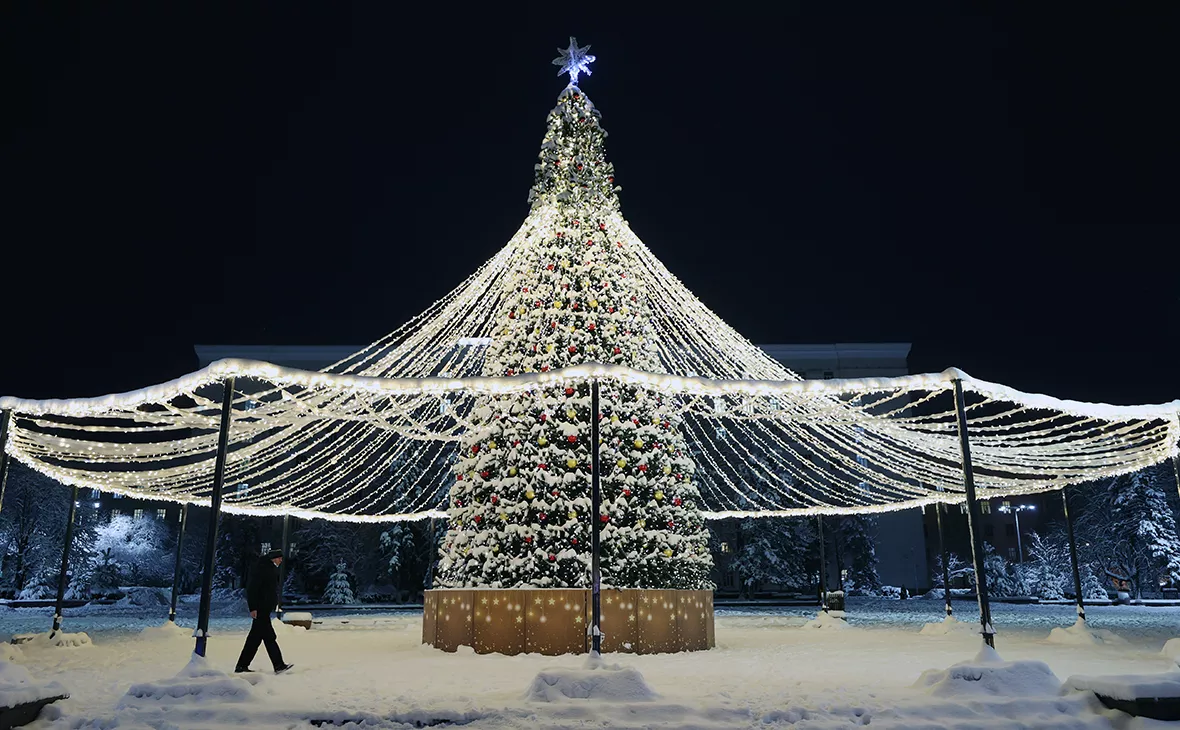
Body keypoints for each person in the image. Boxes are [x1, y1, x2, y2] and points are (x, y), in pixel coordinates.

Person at [235, 549, 294, 674]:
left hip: (263, 609)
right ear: (274, 558)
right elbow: (253, 588)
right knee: (268, 638)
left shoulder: (266, 568)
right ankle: (278, 665)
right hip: (261, 609)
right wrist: (253, 607)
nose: (281, 560)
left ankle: (242, 665)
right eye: (279, 558)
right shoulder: (262, 569)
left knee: (256, 639)